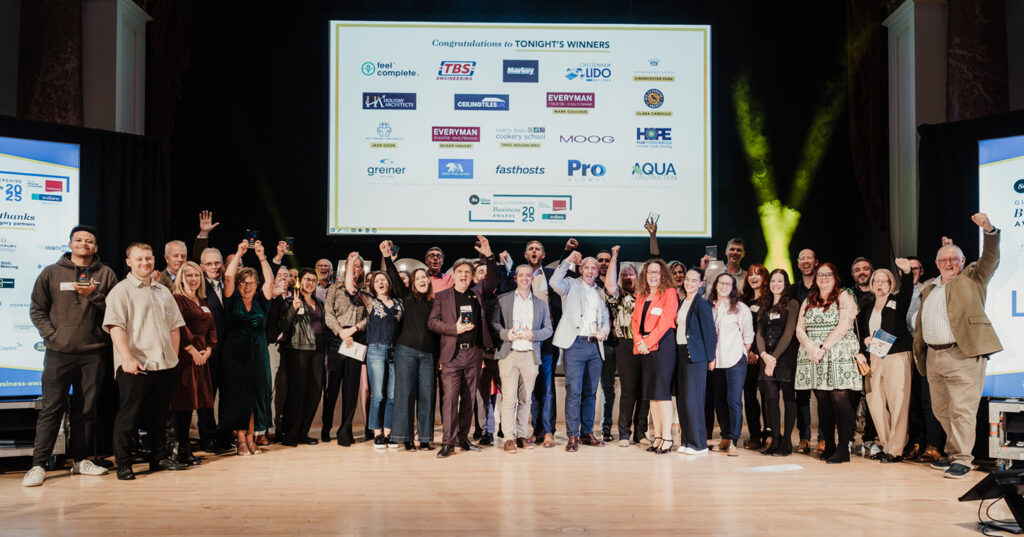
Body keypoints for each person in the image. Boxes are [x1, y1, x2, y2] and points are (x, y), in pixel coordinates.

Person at [23, 225, 119, 487]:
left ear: (96, 247)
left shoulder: (106, 274)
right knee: (51, 409)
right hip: (58, 353)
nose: (84, 244)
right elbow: (37, 310)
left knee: (85, 411)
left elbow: (116, 310)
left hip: (93, 354)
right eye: (79, 240)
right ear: (70, 244)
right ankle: (38, 465)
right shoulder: (51, 272)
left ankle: (80, 461)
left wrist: (93, 294)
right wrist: (53, 337)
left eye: (89, 241)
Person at [913, 213, 1001, 479]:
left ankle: (963, 458)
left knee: (963, 409)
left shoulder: (973, 279)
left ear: (963, 262)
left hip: (963, 354)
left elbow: (990, 258)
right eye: (943, 260)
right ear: (936, 264)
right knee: (941, 410)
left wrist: (989, 230)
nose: (949, 263)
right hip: (934, 356)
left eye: (954, 259)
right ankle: (953, 453)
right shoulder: (930, 287)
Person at [103, 242, 188, 480]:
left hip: (164, 365)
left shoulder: (163, 291)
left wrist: (173, 358)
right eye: (139, 259)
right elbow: (116, 328)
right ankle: (123, 464)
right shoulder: (121, 291)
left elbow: (175, 326)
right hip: (136, 365)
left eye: (148, 258)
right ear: (128, 262)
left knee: (158, 416)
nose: (145, 263)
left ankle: (158, 458)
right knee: (129, 416)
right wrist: (127, 359)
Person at [428, 236, 498, 458]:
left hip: (474, 353)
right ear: (454, 275)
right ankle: (447, 442)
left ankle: (463, 438)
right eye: (460, 272)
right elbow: (432, 322)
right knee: (450, 399)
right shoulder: (442, 296)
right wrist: (453, 329)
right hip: (452, 354)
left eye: (468, 272)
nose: (464, 275)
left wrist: (488, 254)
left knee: (469, 399)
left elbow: (493, 280)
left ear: (472, 276)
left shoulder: (478, 292)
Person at [795, 262, 863, 464]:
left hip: (837, 352)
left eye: (828, 274)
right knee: (823, 401)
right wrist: (811, 348)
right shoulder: (809, 298)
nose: (823, 278)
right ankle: (829, 445)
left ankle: (843, 448)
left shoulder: (844, 295)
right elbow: (799, 328)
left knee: (839, 399)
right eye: (820, 275)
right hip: (814, 355)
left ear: (835, 277)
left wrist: (823, 348)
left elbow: (844, 325)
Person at [550, 251, 610, 452]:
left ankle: (587, 432)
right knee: (574, 391)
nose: (590, 271)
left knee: (590, 393)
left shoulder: (599, 292)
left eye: (594, 268)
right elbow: (554, 282)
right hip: (575, 344)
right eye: (587, 267)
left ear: (597, 271)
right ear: (581, 269)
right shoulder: (570, 285)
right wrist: (568, 259)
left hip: (594, 346)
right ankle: (572, 436)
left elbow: (605, 318)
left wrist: (604, 331)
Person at [220, 239, 275, 456]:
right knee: (238, 396)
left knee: (255, 396)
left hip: (258, 354)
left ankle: (251, 438)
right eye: (244, 282)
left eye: (252, 283)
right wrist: (239, 253)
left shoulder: (262, 301)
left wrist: (262, 257)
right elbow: (228, 277)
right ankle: (240, 439)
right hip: (234, 354)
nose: (247, 286)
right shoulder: (232, 300)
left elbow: (270, 280)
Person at [491, 264, 554, 453]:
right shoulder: (503, 300)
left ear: (532, 279)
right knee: (509, 399)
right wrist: (506, 334)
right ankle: (508, 438)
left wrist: (533, 334)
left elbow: (548, 329)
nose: (525, 278)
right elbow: (494, 323)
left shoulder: (540, 304)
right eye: (521, 275)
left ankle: (521, 436)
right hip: (509, 354)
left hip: (530, 355)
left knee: (526, 400)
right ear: (515, 278)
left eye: (528, 275)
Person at [856, 260, 914, 464]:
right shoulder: (867, 306)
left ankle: (896, 449)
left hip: (896, 355)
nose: (879, 284)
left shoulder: (897, 301)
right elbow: (861, 332)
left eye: (884, 281)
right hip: (874, 357)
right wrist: (864, 341)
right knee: (875, 401)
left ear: (891, 284)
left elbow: (907, 290)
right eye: (876, 281)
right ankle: (887, 444)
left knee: (898, 401)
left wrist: (906, 272)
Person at [347, 252, 404, 449]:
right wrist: (351, 264)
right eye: (377, 280)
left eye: (384, 279)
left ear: (389, 283)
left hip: (396, 351)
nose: (380, 282)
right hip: (376, 350)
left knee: (393, 395)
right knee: (378, 394)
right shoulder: (370, 301)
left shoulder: (399, 303)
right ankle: (377, 432)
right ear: (373, 284)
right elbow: (350, 287)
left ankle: (388, 432)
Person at [383, 241, 437, 451]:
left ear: (429, 281)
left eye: (425, 277)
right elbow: (394, 277)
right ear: (413, 283)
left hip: (429, 355)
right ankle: (405, 438)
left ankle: (424, 439)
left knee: (427, 396)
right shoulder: (406, 296)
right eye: (418, 278)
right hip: (406, 352)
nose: (422, 280)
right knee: (405, 395)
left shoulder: (434, 303)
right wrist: (387, 258)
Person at [168, 261, 217, 466]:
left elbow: (211, 327)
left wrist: (209, 349)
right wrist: (191, 350)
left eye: (196, 275)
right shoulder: (177, 299)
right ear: (181, 278)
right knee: (182, 403)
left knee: (194, 404)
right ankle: (178, 448)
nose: (193, 279)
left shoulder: (202, 301)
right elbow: (178, 327)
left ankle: (184, 446)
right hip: (184, 355)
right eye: (189, 275)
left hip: (201, 356)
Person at [631, 259, 679, 454]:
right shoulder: (641, 295)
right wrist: (639, 342)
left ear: (663, 274)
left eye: (657, 272)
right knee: (652, 394)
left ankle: (667, 437)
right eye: (650, 272)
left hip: (662, 346)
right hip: (645, 347)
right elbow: (635, 322)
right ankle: (657, 436)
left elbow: (666, 321)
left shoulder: (670, 293)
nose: (653, 275)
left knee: (662, 393)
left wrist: (648, 342)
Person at [276, 268, 325, 446]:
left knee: (314, 394)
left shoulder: (320, 303)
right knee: (298, 393)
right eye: (307, 279)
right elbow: (282, 326)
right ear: (300, 281)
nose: (310, 283)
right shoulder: (290, 301)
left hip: (319, 350)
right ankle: (290, 434)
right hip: (298, 349)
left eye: (313, 280)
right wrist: (293, 309)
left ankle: (303, 433)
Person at [322, 255, 368, 446]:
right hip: (337, 339)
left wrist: (354, 329)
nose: (355, 270)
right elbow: (328, 313)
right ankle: (326, 427)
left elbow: (370, 317)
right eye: (352, 266)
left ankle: (345, 431)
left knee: (351, 388)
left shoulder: (365, 291)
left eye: (358, 266)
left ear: (362, 270)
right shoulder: (334, 288)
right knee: (332, 388)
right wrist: (341, 332)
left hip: (356, 340)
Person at [903, 255, 945, 462]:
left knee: (929, 400)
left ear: (922, 271)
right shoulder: (895, 293)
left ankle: (933, 444)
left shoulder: (929, 289)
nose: (913, 272)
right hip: (903, 353)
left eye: (916, 268)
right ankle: (914, 443)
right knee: (910, 402)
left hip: (926, 351)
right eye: (908, 269)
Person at [708, 272, 755, 456]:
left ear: (733, 287)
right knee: (719, 400)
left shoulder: (740, 308)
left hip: (735, 360)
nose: (724, 286)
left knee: (733, 400)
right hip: (716, 362)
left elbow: (748, 336)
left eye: (728, 284)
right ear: (716, 285)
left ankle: (734, 440)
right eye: (721, 283)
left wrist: (741, 352)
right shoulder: (709, 307)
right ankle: (725, 436)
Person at [755, 269, 800, 456]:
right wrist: (764, 355)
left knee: (788, 399)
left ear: (785, 283)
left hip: (786, 357)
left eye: (780, 281)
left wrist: (773, 358)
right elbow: (759, 333)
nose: (776, 284)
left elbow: (789, 333)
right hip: (767, 359)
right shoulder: (764, 304)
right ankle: (775, 439)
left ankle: (786, 442)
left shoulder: (792, 303)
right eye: (773, 281)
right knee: (770, 399)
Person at [604, 253, 647, 446]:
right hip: (625, 344)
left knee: (645, 391)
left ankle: (641, 432)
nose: (628, 277)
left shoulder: (646, 295)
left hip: (646, 345)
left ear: (638, 276)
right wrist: (614, 257)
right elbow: (609, 284)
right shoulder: (618, 296)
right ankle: (624, 433)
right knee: (629, 390)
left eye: (631, 274)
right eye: (624, 275)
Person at [523, 240, 563, 448]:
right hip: (526, 339)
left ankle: (548, 431)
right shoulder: (520, 275)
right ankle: (536, 430)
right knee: (532, 387)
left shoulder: (549, 275)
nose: (534, 251)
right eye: (530, 249)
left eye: (537, 249)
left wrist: (567, 251)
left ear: (543, 255)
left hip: (547, 338)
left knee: (547, 386)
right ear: (525, 255)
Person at [675, 268, 718, 455]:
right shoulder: (683, 301)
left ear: (701, 283)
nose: (689, 283)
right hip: (681, 354)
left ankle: (699, 444)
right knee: (683, 400)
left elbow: (710, 333)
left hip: (696, 356)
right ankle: (686, 441)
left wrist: (711, 357)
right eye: (687, 279)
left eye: (694, 280)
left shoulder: (701, 304)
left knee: (694, 400)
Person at [789, 248, 818, 454]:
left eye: (809, 258)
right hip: (797, 347)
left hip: (821, 346)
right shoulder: (793, 290)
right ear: (798, 264)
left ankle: (824, 438)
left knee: (823, 395)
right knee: (801, 396)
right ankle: (804, 438)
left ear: (816, 262)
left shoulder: (825, 286)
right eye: (802, 259)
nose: (806, 262)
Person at [741, 264, 770, 450]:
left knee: (767, 395)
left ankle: (769, 433)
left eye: (757, 274)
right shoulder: (742, 300)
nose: (753, 277)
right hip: (747, 355)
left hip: (766, 355)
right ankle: (754, 435)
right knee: (749, 395)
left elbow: (769, 330)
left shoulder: (771, 299)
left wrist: (759, 353)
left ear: (764, 278)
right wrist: (748, 351)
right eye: (750, 274)